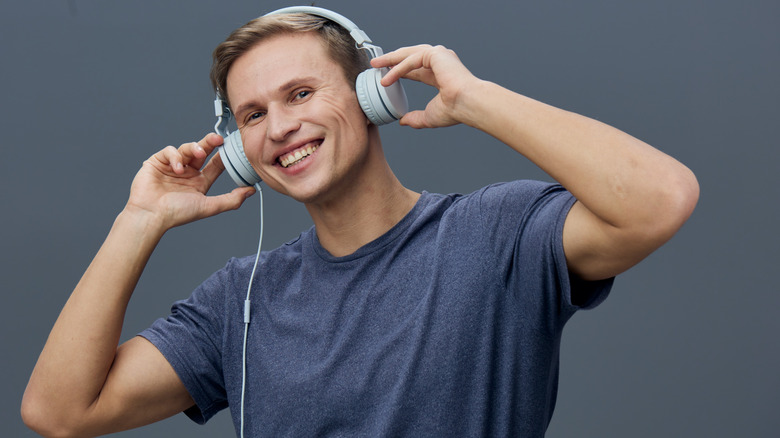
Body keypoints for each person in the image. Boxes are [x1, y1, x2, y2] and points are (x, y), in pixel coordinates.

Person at [21, 6, 699, 438]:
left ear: (374, 94)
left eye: (302, 93)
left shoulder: (499, 235)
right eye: (253, 115)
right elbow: (58, 413)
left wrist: (476, 98)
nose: (281, 125)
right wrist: (140, 219)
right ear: (239, 149)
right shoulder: (243, 299)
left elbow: (660, 199)